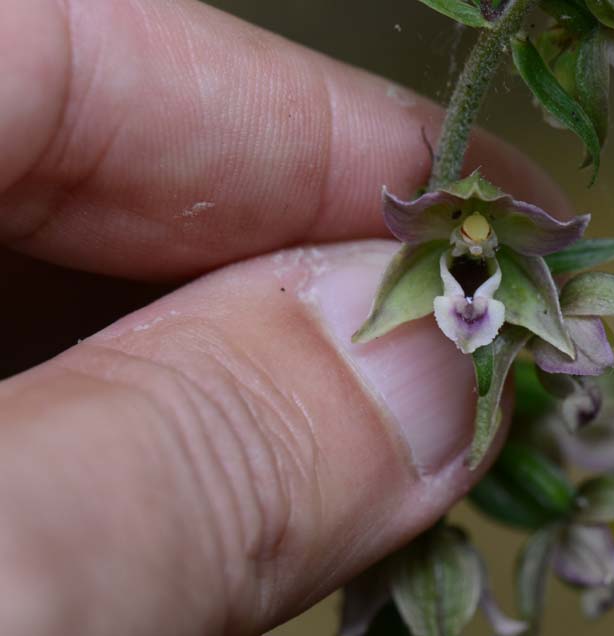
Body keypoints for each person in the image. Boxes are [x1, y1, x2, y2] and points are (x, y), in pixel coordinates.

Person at [0, 0, 569, 633]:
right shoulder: (429, 267)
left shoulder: (505, 276)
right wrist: (356, 349)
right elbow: (382, 323)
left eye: (477, 250)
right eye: (464, 245)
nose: (470, 249)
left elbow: (541, 313)